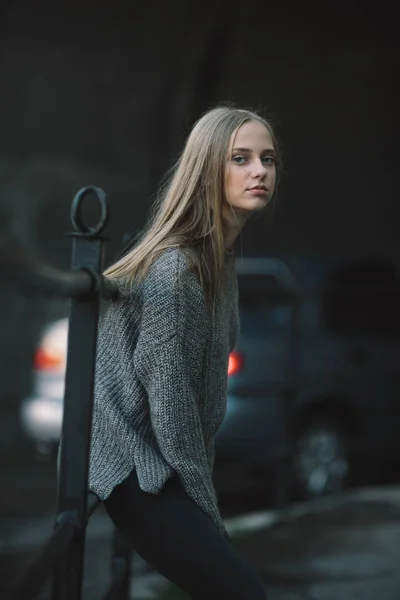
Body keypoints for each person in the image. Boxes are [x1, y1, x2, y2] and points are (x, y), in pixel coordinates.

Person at [88, 105, 280, 599]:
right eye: (240, 158)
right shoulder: (178, 272)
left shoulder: (219, 264)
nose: (259, 170)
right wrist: (206, 505)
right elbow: (171, 407)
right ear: (206, 168)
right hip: (136, 470)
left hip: (164, 465)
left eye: (267, 158)